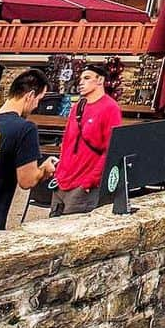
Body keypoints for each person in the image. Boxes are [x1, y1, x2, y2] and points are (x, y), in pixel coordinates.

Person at [0, 69, 57, 230]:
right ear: (30, 96)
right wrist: (45, 169)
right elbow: (27, 180)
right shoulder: (25, 129)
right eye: (39, 100)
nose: (36, 106)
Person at [50, 62, 122, 215]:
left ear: (100, 80)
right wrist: (59, 171)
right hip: (63, 180)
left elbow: (110, 150)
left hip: (83, 185)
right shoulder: (78, 106)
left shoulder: (110, 108)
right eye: (81, 78)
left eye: (87, 78)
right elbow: (67, 141)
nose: (81, 82)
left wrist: (90, 181)